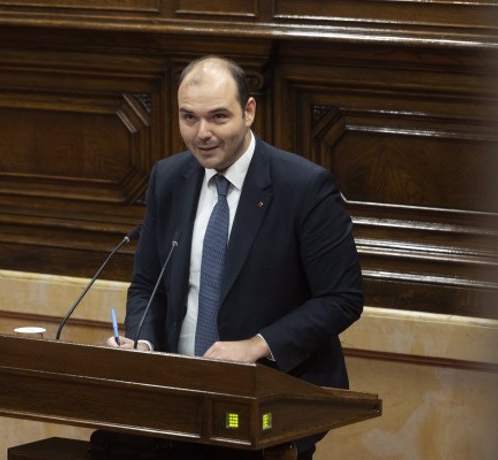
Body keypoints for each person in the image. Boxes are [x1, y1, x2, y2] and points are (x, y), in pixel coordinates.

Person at [106, 55, 363, 459]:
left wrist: (257, 345)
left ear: (249, 112)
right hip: (180, 400)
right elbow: (147, 285)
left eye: (218, 117)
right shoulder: (168, 178)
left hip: (269, 402)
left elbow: (341, 298)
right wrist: (143, 341)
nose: (202, 133)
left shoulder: (303, 186)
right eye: (188, 118)